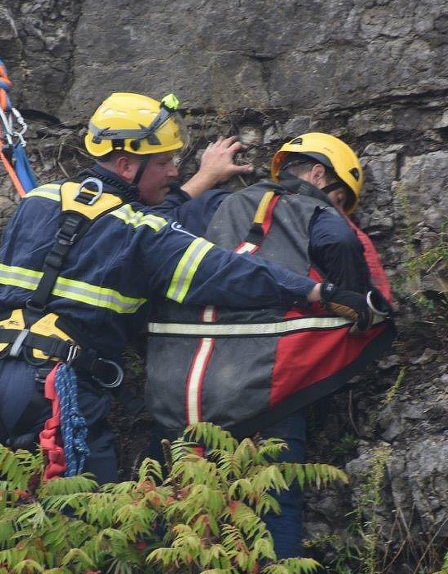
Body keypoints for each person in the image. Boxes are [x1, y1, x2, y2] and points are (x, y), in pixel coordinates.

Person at [0, 95, 378, 566]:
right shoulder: (145, 234)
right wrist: (320, 295)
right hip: (56, 396)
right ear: (126, 163)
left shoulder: (37, 202)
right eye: (165, 162)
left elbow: (121, 219)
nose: (175, 171)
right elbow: (228, 273)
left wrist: (202, 179)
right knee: (96, 536)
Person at [144, 132, 396, 558]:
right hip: (262, 393)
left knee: (167, 520)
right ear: (318, 175)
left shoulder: (210, 205)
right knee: (274, 510)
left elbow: (153, 231)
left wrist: (203, 177)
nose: (338, 210)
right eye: (339, 198)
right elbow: (343, 256)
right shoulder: (319, 214)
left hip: (176, 394)